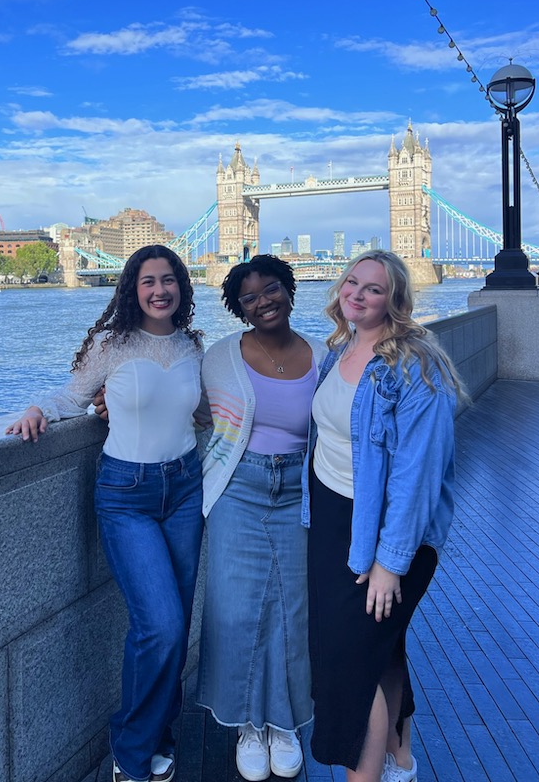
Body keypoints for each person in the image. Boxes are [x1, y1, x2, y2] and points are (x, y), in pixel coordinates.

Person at [6, 245, 207, 782]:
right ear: (132, 289)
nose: (160, 290)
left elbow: (205, 409)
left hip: (186, 488)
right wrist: (35, 410)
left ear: (182, 287)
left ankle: (160, 733)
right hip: (127, 494)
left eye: (169, 280)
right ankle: (131, 752)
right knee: (159, 625)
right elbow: (72, 396)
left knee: (177, 623)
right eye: (148, 281)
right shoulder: (111, 344)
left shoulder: (192, 345)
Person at [303, 250, 465, 782]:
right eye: (352, 282)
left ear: (395, 300)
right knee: (381, 646)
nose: (357, 293)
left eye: (373, 288)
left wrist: (389, 563)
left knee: (350, 665)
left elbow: (417, 477)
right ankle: (400, 762)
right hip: (332, 520)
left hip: (390, 534)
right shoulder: (340, 348)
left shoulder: (416, 366)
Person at [198, 255, 326, 781]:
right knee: (235, 607)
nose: (263, 301)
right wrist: (109, 399)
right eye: (248, 297)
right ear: (237, 308)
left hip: (302, 490)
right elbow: (185, 403)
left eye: (271, 289)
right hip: (238, 487)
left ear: (289, 290)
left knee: (293, 611)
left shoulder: (324, 353)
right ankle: (247, 723)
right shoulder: (219, 357)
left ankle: (285, 722)